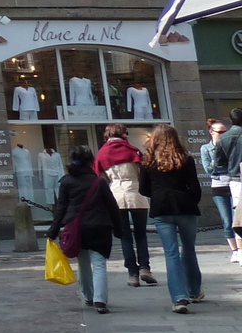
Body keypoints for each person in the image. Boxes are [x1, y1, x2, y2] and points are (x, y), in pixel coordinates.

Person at [46, 147, 125, 314]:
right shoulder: (99, 181)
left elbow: (61, 208)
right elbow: (113, 207)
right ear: (91, 162)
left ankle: (88, 295)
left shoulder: (67, 181)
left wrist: (53, 230)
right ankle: (100, 300)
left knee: (83, 265)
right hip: (99, 226)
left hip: (77, 228)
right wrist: (119, 229)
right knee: (99, 264)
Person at [139, 123, 204, 314]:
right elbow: (195, 188)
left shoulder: (149, 162)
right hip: (185, 207)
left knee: (171, 253)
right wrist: (191, 201)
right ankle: (194, 291)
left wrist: (158, 193)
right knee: (189, 249)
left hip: (162, 208)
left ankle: (178, 298)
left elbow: (143, 189)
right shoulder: (186, 159)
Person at [95, 124, 154, 288]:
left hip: (115, 196)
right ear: (124, 135)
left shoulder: (102, 153)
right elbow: (143, 173)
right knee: (141, 234)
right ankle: (145, 269)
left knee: (124, 236)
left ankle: (132, 274)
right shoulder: (133, 150)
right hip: (137, 193)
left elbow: (98, 177)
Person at [199, 120, 240, 264]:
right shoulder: (206, 148)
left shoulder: (229, 144)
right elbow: (209, 170)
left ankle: (240, 249)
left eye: (225, 131)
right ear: (212, 132)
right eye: (220, 132)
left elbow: (233, 166)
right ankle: (234, 250)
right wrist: (218, 155)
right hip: (219, 186)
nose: (223, 134)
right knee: (227, 220)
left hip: (234, 184)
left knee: (237, 218)